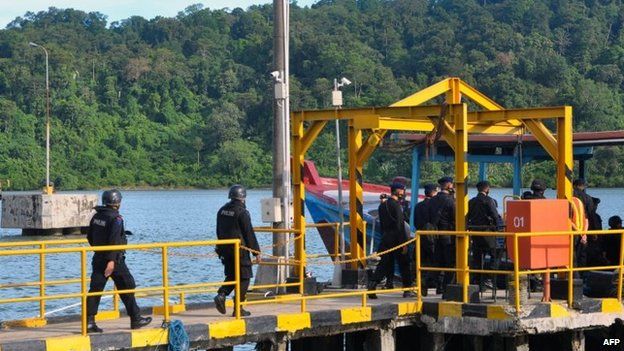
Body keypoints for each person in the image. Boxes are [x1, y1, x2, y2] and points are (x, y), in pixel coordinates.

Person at [86, 189, 152, 333]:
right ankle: (135, 319)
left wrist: (100, 251)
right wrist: (111, 261)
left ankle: (89, 322)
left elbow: (90, 237)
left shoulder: (97, 216)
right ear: (117, 203)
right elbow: (115, 240)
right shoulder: (116, 219)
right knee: (128, 286)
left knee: (95, 290)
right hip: (115, 261)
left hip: (98, 257)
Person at [214, 185, 260, 317]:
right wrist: (256, 252)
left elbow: (218, 230)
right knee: (244, 277)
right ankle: (238, 309)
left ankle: (222, 294)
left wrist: (221, 249)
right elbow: (249, 234)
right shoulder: (242, 212)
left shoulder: (222, 210)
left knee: (232, 275)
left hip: (225, 249)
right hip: (240, 250)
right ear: (243, 198)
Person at [367, 182, 414, 299]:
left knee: (383, 264)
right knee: (404, 264)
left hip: (386, 238)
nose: (403, 193)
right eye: (402, 190)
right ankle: (407, 290)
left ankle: (372, 285)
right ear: (397, 191)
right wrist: (404, 243)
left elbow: (382, 224)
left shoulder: (382, 206)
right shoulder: (396, 206)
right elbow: (400, 225)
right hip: (397, 239)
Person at [467, 181, 502, 292]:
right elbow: (494, 215)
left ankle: (477, 281)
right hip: (486, 232)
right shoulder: (488, 200)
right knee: (496, 252)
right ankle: (489, 278)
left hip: (475, 233)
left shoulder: (471, 201)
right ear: (487, 189)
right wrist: (498, 228)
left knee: (478, 257)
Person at [428, 176, 456, 294]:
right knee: (450, 263)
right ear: (449, 185)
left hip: (435, 235)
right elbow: (455, 218)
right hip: (448, 235)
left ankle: (433, 283)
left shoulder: (432, 200)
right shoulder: (450, 201)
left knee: (438, 262)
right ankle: (446, 288)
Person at [413, 183, 438, 296]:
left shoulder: (418, 206)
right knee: (434, 262)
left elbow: (415, 222)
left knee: (420, 262)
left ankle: (420, 284)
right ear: (433, 192)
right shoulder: (434, 205)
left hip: (420, 237)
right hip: (432, 237)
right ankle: (428, 283)